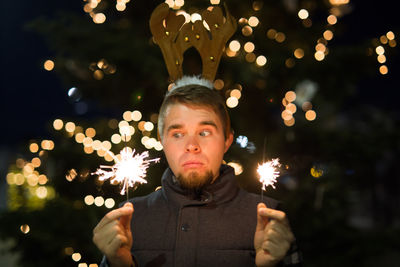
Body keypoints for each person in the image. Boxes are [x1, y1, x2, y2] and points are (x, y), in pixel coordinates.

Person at [93, 76, 302, 267]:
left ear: (227, 140)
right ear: (161, 140)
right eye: (177, 134)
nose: (192, 145)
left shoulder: (268, 220)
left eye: (204, 132)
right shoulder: (128, 220)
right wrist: (118, 264)